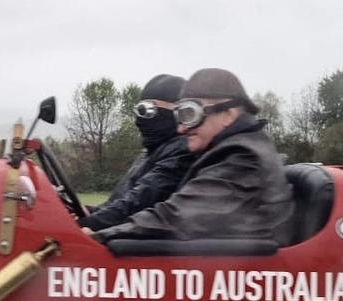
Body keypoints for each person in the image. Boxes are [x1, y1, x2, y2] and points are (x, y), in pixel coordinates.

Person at [92, 68, 294, 245]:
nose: (181, 128)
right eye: (178, 116)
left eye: (190, 114)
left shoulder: (244, 159)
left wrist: (95, 237)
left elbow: (177, 218)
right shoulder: (229, 153)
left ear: (229, 114)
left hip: (249, 278)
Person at [78, 74, 194, 231]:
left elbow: (138, 202)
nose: (139, 121)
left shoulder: (182, 151)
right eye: (139, 110)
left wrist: (83, 225)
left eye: (146, 110)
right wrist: (87, 212)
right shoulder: (152, 152)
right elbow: (119, 202)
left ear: (178, 113)